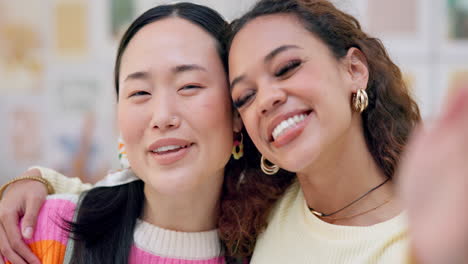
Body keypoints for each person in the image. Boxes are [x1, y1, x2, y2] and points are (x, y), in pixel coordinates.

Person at [2, 0, 468, 263]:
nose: (266, 99)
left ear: (354, 69)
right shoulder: (259, 212)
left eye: (287, 67)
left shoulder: (428, 237)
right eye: (245, 95)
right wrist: (37, 181)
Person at [0, 2, 275, 263]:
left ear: (237, 110)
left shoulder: (274, 248)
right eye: (140, 92)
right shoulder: (38, 231)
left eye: (189, 86)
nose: (162, 117)